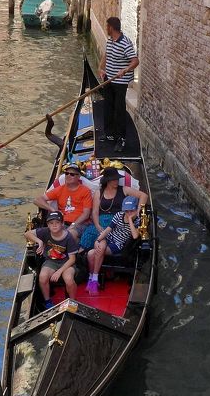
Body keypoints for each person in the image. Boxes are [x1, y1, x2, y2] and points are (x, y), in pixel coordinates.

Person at [79, 165, 147, 250]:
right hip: (101, 220)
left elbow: (144, 196)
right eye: (114, 179)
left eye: (117, 179)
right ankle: (81, 256)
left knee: (105, 236)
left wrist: (138, 212)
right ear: (107, 180)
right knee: (88, 234)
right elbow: (95, 212)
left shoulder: (124, 189)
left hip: (118, 220)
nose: (116, 181)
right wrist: (97, 225)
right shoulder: (99, 193)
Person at [98, 16, 139, 152]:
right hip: (109, 78)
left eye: (107, 26)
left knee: (119, 110)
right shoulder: (110, 40)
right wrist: (101, 68)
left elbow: (135, 61)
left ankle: (121, 138)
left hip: (120, 82)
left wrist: (125, 70)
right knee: (107, 106)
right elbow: (106, 55)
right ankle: (109, 134)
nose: (106, 28)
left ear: (111, 27)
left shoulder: (125, 43)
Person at [85, 196, 141, 295]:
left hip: (117, 244)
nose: (128, 213)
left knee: (90, 254)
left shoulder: (138, 221)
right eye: (126, 211)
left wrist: (131, 220)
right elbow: (108, 230)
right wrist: (98, 240)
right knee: (99, 247)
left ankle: (92, 278)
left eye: (131, 211)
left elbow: (135, 235)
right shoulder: (119, 215)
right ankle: (94, 278)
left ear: (136, 210)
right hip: (107, 238)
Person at [25, 211, 78, 308]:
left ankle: (73, 302)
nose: (54, 226)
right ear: (48, 225)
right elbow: (27, 234)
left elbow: (72, 259)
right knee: (42, 277)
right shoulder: (45, 231)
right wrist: (39, 241)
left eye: (57, 223)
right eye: (51, 223)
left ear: (62, 224)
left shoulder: (68, 237)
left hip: (66, 262)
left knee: (68, 279)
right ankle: (48, 301)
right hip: (51, 261)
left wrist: (59, 272)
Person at [33, 161, 92, 241]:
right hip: (62, 223)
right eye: (66, 173)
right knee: (37, 234)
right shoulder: (60, 189)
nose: (68, 176)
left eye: (72, 174)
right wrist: (53, 210)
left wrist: (74, 224)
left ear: (78, 177)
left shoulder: (85, 191)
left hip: (80, 224)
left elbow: (86, 214)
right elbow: (37, 200)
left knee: (68, 235)